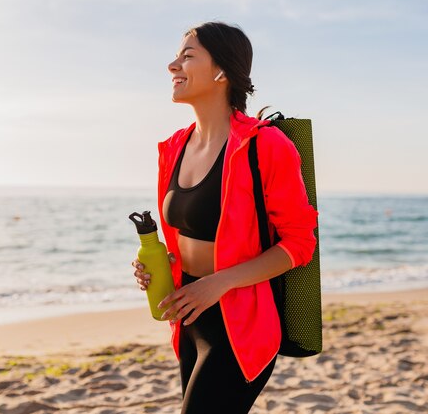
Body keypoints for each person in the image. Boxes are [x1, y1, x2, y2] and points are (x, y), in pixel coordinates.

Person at [131, 21, 318, 414]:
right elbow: (188, 235)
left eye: (187, 56)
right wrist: (157, 265)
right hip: (187, 317)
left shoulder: (266, 145)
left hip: (241, 325)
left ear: (221, 72)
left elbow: (300, 243)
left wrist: (219, 282)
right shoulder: (174, 147)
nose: (172, 66)